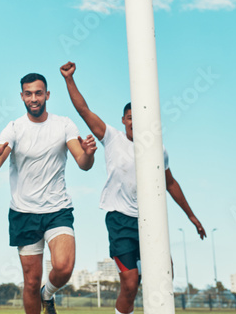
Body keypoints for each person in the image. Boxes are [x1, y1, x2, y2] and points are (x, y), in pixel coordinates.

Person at [60, 61, 205, 314]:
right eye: (130, 118)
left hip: (151, 221)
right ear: (124, 120)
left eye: (139, 118)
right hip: (121, 220)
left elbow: (170, 184)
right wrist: (69, 79)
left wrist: (191, 216)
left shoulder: (159, 150)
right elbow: (84, 111)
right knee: (130, 283)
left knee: (163, 276)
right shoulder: (112, 138)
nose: (134, 122)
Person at [0, 72, 97, 314]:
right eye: (28, 94)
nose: (33, 98)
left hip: (58, 210)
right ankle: (40, 294)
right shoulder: (13, 128)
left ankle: (48, 295)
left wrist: (88, 153)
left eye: (38, 93)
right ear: (22, 96)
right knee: (31, 282)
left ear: (47, 95)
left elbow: (82, 162)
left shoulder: (64, 124)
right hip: (24, 213)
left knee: (64, 267)